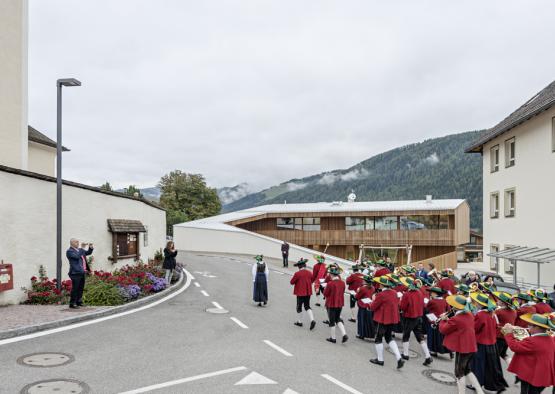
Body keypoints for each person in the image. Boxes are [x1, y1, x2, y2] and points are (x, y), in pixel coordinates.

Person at [439, 295, 483, 394]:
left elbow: (443, 330)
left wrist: (442, 320)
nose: (451, 307)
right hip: (470, 346)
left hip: (463, 348)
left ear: (456, 306)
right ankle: (480, 391)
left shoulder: (457, 318)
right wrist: (448, 320)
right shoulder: (470, 314)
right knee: (467, 370)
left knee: (459, 372)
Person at [503, 313, 555, 393]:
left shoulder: (533, 341)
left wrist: (508, 333)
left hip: (532, 374)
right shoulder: (549, 337)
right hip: (543, 374)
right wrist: (517, 329)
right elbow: (531, 340)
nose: (528, 326)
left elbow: (514, 346)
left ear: (537, 327)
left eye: (530, 325)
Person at [469, 292, 508, 393]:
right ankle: (493, 385)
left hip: (481, 343)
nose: (475, 304)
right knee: (489, 366)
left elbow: (475, 328)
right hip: (492, 343)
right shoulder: (492, 313)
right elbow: (495, 326)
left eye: (477, 302)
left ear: (480, 304)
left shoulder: (480, 314)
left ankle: (476, 384)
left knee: (478, 365)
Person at [369, 276, 404, 369]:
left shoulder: (381, 294)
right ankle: (399, 357)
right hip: (392, 319)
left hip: (382, 319)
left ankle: (380, 359)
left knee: (378, 339)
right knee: (389, 338)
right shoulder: (395, 292)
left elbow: (373, 307)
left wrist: (372, 301)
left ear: (381, 285)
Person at [399, 277, 433, 366]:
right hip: (418, 317)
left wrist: (401, 300)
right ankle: (428, 356)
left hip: (409, 317)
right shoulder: (419, 292)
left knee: (406, 336)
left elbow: (402, 307)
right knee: (420, 337)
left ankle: (405, 354)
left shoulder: (407, 294)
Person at [66, 238, 94, 309]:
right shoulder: (69, 251)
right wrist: (82, 248)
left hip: (82, 272)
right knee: (75, 288)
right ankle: (72, 303)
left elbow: (88, 253)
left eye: (78, 242)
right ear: (72, 243)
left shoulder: (79, 250)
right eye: (76, 242)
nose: (78, 243)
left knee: (81, 288)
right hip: (75, 272)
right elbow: (77, 256)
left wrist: (90, 247)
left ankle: (79, 302)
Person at [425, 287, 452, 359]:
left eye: (432, 292)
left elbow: (426, 309)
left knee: (433, 336)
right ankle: (449, 351)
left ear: (435, 293)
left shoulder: (432, 301)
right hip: (443, 320)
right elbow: (448, 310)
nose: (431, 293)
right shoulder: (445, 301)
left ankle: (433, 351)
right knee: (442, 337)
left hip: (434, 320)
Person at [323, 265, 348, 344]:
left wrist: (325, 288)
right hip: (340, 303)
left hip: (331, 304)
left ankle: (333, 338)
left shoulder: (330, 283)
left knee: (332, 321)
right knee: (338, 319)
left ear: (332, 275)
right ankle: (344, 334)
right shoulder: (342, 283)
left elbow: (325, 294)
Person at [290, 258, 316, 330]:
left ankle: (300, 321)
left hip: (300, 293)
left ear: (299, 267)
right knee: (307, 306)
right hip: (308, 292)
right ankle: (312, 320)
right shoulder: (309, 272)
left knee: (299, 307)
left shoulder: (297, 273)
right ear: (305, 265)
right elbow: (312, 279)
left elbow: (292, 282)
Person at [492, 291, 517, 361]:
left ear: (502, 302)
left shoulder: (498, 311)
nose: (497, 300)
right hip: (508, 336)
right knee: (503, 354)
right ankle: (511, 364)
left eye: (499, 299)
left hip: (499, 336)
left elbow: (493, 322)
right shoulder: (514, 311)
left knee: (495, 357)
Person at [355, 275, 375, 340]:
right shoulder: (372, 288)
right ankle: (368, 334)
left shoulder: (363, 288)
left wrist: (357, 292)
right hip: (369, 304)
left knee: (361, 320)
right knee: (367, 320)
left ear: (365, 281)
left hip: (362, 304)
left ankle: (361, 334)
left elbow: (357, 297)